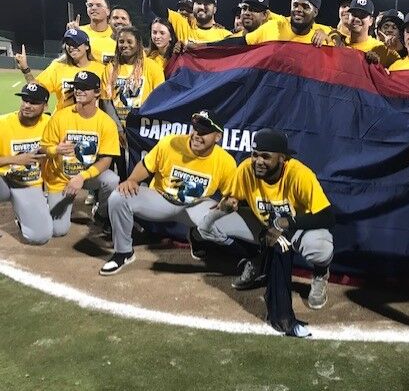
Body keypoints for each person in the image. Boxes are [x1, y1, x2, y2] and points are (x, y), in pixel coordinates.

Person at [193, 128, 335, 309]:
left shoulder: (299, 174)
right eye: (255, 155)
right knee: (207, 222)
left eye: (266, 157)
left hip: (296, 230)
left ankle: (321, 274)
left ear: (282, 158)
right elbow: (233, 198)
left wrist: (286, 223)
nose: (258, 161)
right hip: (264, 228)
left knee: (319, 246)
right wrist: (228, 203)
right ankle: (257, 260)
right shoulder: (246, 169)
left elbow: (327, 217)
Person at [101, 110, 237, 275]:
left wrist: (228, 203)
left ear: (217, 136)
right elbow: (146, 165)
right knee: (118, 197)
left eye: (203, 132)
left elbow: (232, 194)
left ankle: (198, 237)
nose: (196, 135)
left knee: (228, 219)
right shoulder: (170, 143)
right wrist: (132, 179)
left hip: (195, 206)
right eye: (194, 129)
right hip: (161, 200)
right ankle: (123, 252)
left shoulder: (226, 161)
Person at [40, 71, 120, 237]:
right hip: (60, 178)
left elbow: (106, 160)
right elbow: (43, 149)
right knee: (58, 231)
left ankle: (101, 214)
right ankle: (45, 202)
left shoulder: (106, 123)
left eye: (85, 88)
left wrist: (82, 177)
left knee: (112, 180)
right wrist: (56, 150)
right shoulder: (60, 117)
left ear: (97, 92)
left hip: (85, 176)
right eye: (77, 87)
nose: (79, 91)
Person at [0, 83, 52, 244]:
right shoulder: (3, 123)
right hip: (3, 179)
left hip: (29, 182)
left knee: (40, 237)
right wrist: (15, 159)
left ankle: (21, 215)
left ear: (45, 105)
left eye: (34, 102)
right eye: (25, 100)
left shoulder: (50, 123)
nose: (27, 105)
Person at [15, 29, 105, 111]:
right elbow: (37, 90)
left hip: (91, 121)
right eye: (68, 44)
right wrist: (25, 69)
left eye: (75, 43)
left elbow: (107, 99)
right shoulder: (58, 67)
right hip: (62, 121)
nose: (71, 47)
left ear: (87, 46)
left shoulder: (101, 69)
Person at [102, 26, 165, 126]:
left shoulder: (152, 67)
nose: (125, 45)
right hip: (116, 124)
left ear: (138, 44)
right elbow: (106, 101)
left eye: (129, 42)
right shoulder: (110, 68)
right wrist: (118, 128)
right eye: (121, 42)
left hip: (142, 124)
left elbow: (159, 99)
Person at [147, 0, 231, 44]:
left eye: (207, 4)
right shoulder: (181, 23)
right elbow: (157, 8)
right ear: (193, 5)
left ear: (215, 9)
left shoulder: (225, 35)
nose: (201, 7)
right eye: (198, 3)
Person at [345, 0, 400, 67]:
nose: (357, 19)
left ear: (371, 21)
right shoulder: (339, 42)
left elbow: (405, 73)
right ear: (348, 17)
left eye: (362, 15)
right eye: (354, 14)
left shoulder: (382, 49)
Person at [67, 0, 116, 64]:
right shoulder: (79, 32)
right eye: (90, 5)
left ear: (108, 11)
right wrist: (73, 37)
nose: (93, 8)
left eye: (98, 5)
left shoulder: (116, 33)